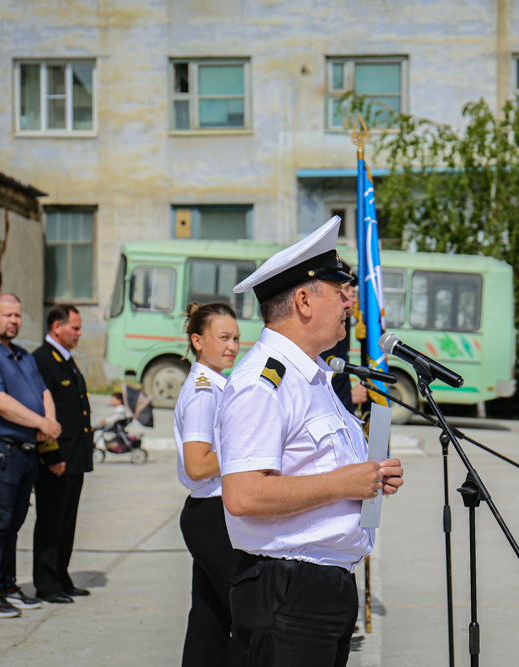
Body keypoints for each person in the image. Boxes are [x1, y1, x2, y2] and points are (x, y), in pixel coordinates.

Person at [216, 216, 404, 666]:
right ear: (303, 300)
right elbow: (243, 495)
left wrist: (370, 477)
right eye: (339, 292)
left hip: (324, 584)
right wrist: (343, 484)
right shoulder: (263, 383)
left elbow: (320, 469)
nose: (348, 303)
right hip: (288, 589)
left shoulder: (314, 377)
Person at [0, 293, 61, 618]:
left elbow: (43, 391)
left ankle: (6, 586)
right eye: (7, 315)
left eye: (17, 315)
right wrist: (41, 423)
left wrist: (48, 422)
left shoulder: (21, 354)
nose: (14, 321)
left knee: (12, 523)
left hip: (24, 451)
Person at [175, 301, 244, 667]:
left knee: (208, 618)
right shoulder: (204, 392)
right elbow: (198, 465)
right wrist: (247, 450)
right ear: (198, 341)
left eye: (236, 338)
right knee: (246, 617)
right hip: (213, 513)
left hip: (212, 511)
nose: (232, 346)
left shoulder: (218, 385)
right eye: (223, 337)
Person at [32, 304, 94, 604]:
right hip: (57, 458)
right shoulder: (42, 360)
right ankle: (46, 582)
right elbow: (41, 411)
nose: (79, 333)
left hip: (74, 457)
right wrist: (51, 455)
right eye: (75, 328)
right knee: (50, 522)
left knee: (67, 522)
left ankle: (60, 575)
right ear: (57, 327)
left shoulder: (65, 359)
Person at [320, 264, 368, 414]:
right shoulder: (324, 342)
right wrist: (349, 397)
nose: (351, 297)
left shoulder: (336, 338)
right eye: (344, 289)